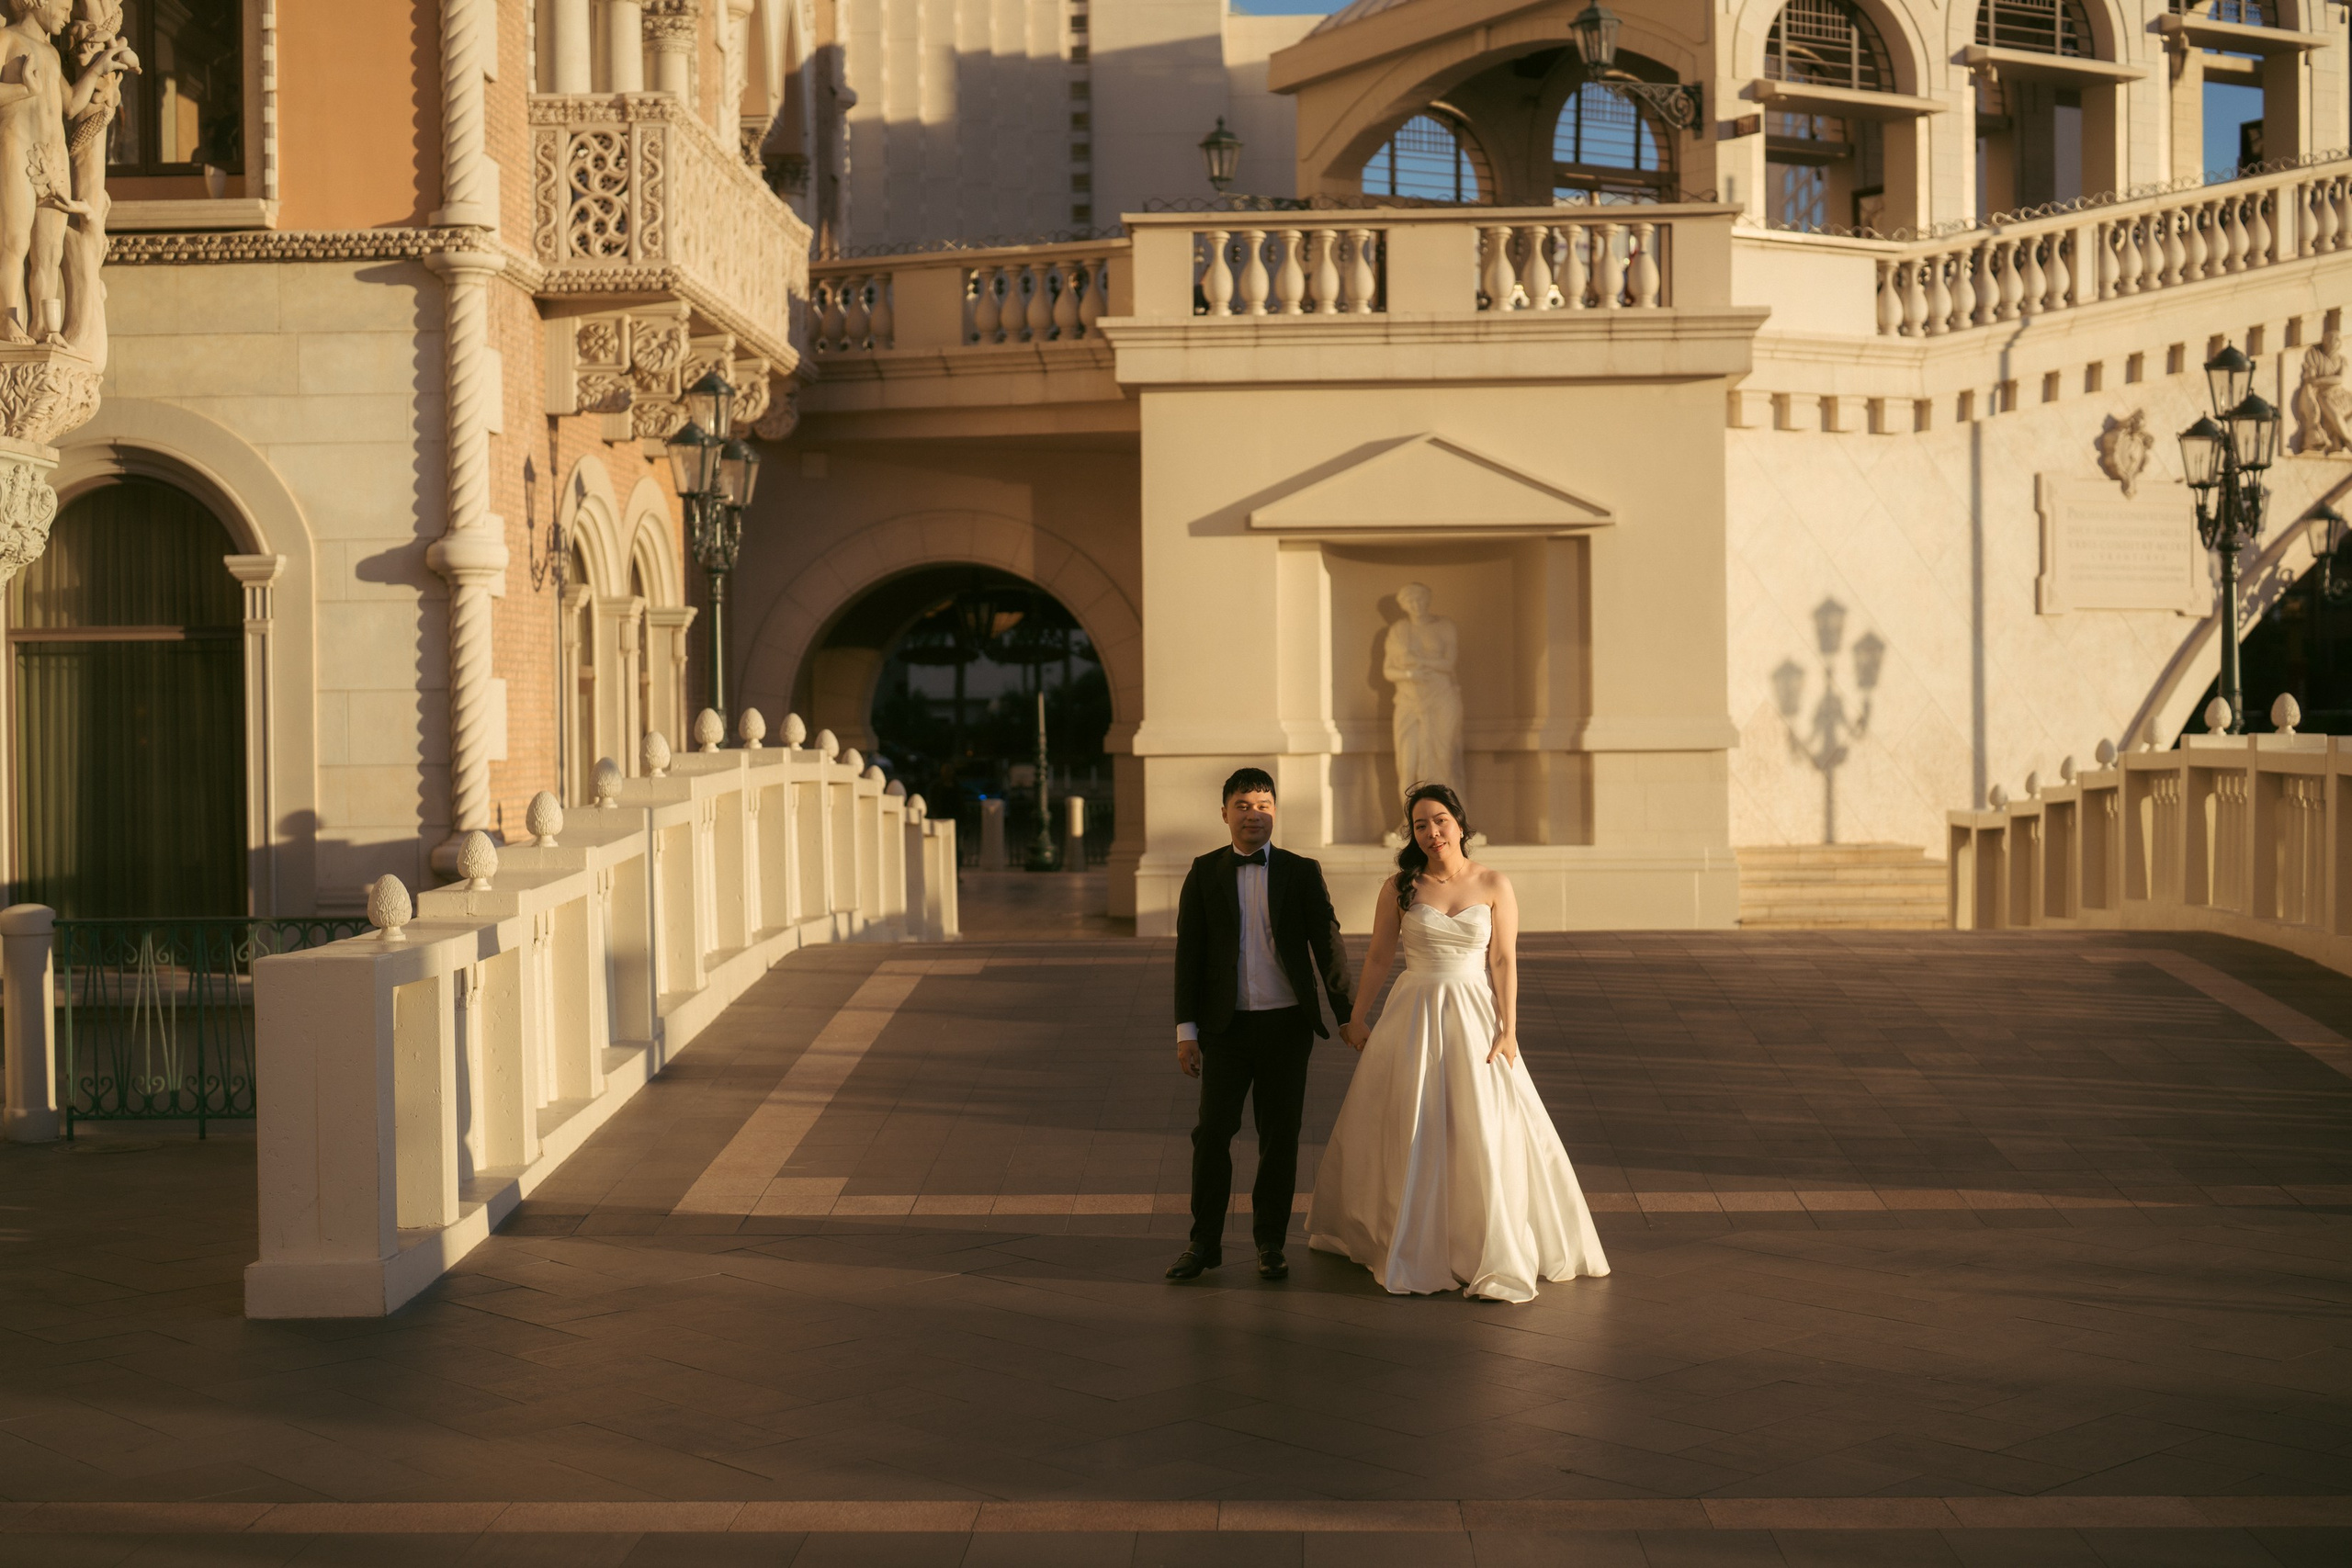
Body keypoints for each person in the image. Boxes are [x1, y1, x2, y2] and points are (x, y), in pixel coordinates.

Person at [1307, 782, 1608, 1302]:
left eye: (1440, 820)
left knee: (1481, 1123)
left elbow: (1503, 960)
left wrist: (1509, 1030)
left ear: (1460, 823)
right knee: (1413, 1121)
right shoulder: (1400, 886)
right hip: (1414, 1014)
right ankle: (1408, 1239)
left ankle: (1481, 1241)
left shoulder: (1494, 883)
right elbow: (1379, 957)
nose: (1431, 832)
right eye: (1420, 824)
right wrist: (1357, 1017)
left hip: (1474, 1015)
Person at [1168, 767, 1354, 1282]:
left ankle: (1270, 1242)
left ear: (1276, 811)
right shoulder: (1204, 872)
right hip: (1224, 1030)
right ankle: (1204, 1242)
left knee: (1280, 1136)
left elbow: (1328, 944)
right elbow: (1190, 957)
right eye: (1244, 805)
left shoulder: (1301, 870)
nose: (1255, 814)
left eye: (1265, 805)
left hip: (1286, 1027)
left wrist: (1348, 1015)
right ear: (1225, 812)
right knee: (1211, 1135)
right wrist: (1187, 1032)